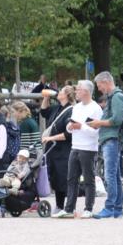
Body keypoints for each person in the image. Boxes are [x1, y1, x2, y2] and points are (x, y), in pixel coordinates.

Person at [52, 81, 103, 218]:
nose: (76, 92)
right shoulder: (77, 107)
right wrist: (70, 127)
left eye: (79, 89)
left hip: (88, 148)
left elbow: (95, 132)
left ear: (86, 91)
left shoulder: (95, 108)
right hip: (75, 146)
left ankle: (88, 208)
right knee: (71, 178)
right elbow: (70, 125)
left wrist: (81, 127)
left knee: (88, 178)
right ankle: (69, 208)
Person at [89, 72, 123, 219]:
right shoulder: (114, 97)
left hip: (112, 139)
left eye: (99, 85)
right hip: (110, 138)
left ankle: (109, 207)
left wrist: (99, 123)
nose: (99, 89)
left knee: (109, 175)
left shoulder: (117, 97)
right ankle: (117, 208)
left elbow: (117, 119)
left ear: (106, 82)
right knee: (115, 175)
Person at [40, 85, 75, 215]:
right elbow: (44, 112)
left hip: (64, 149)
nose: (58, 93)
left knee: (63, 177)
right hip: (53, 148)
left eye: (61, 91)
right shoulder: (57, 108)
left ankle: (68, 206)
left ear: (66, 95)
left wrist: (50, 138)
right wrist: (46, 98)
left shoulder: (71, 111)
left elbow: (68, 134)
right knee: (55, 177)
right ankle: (59, 205)